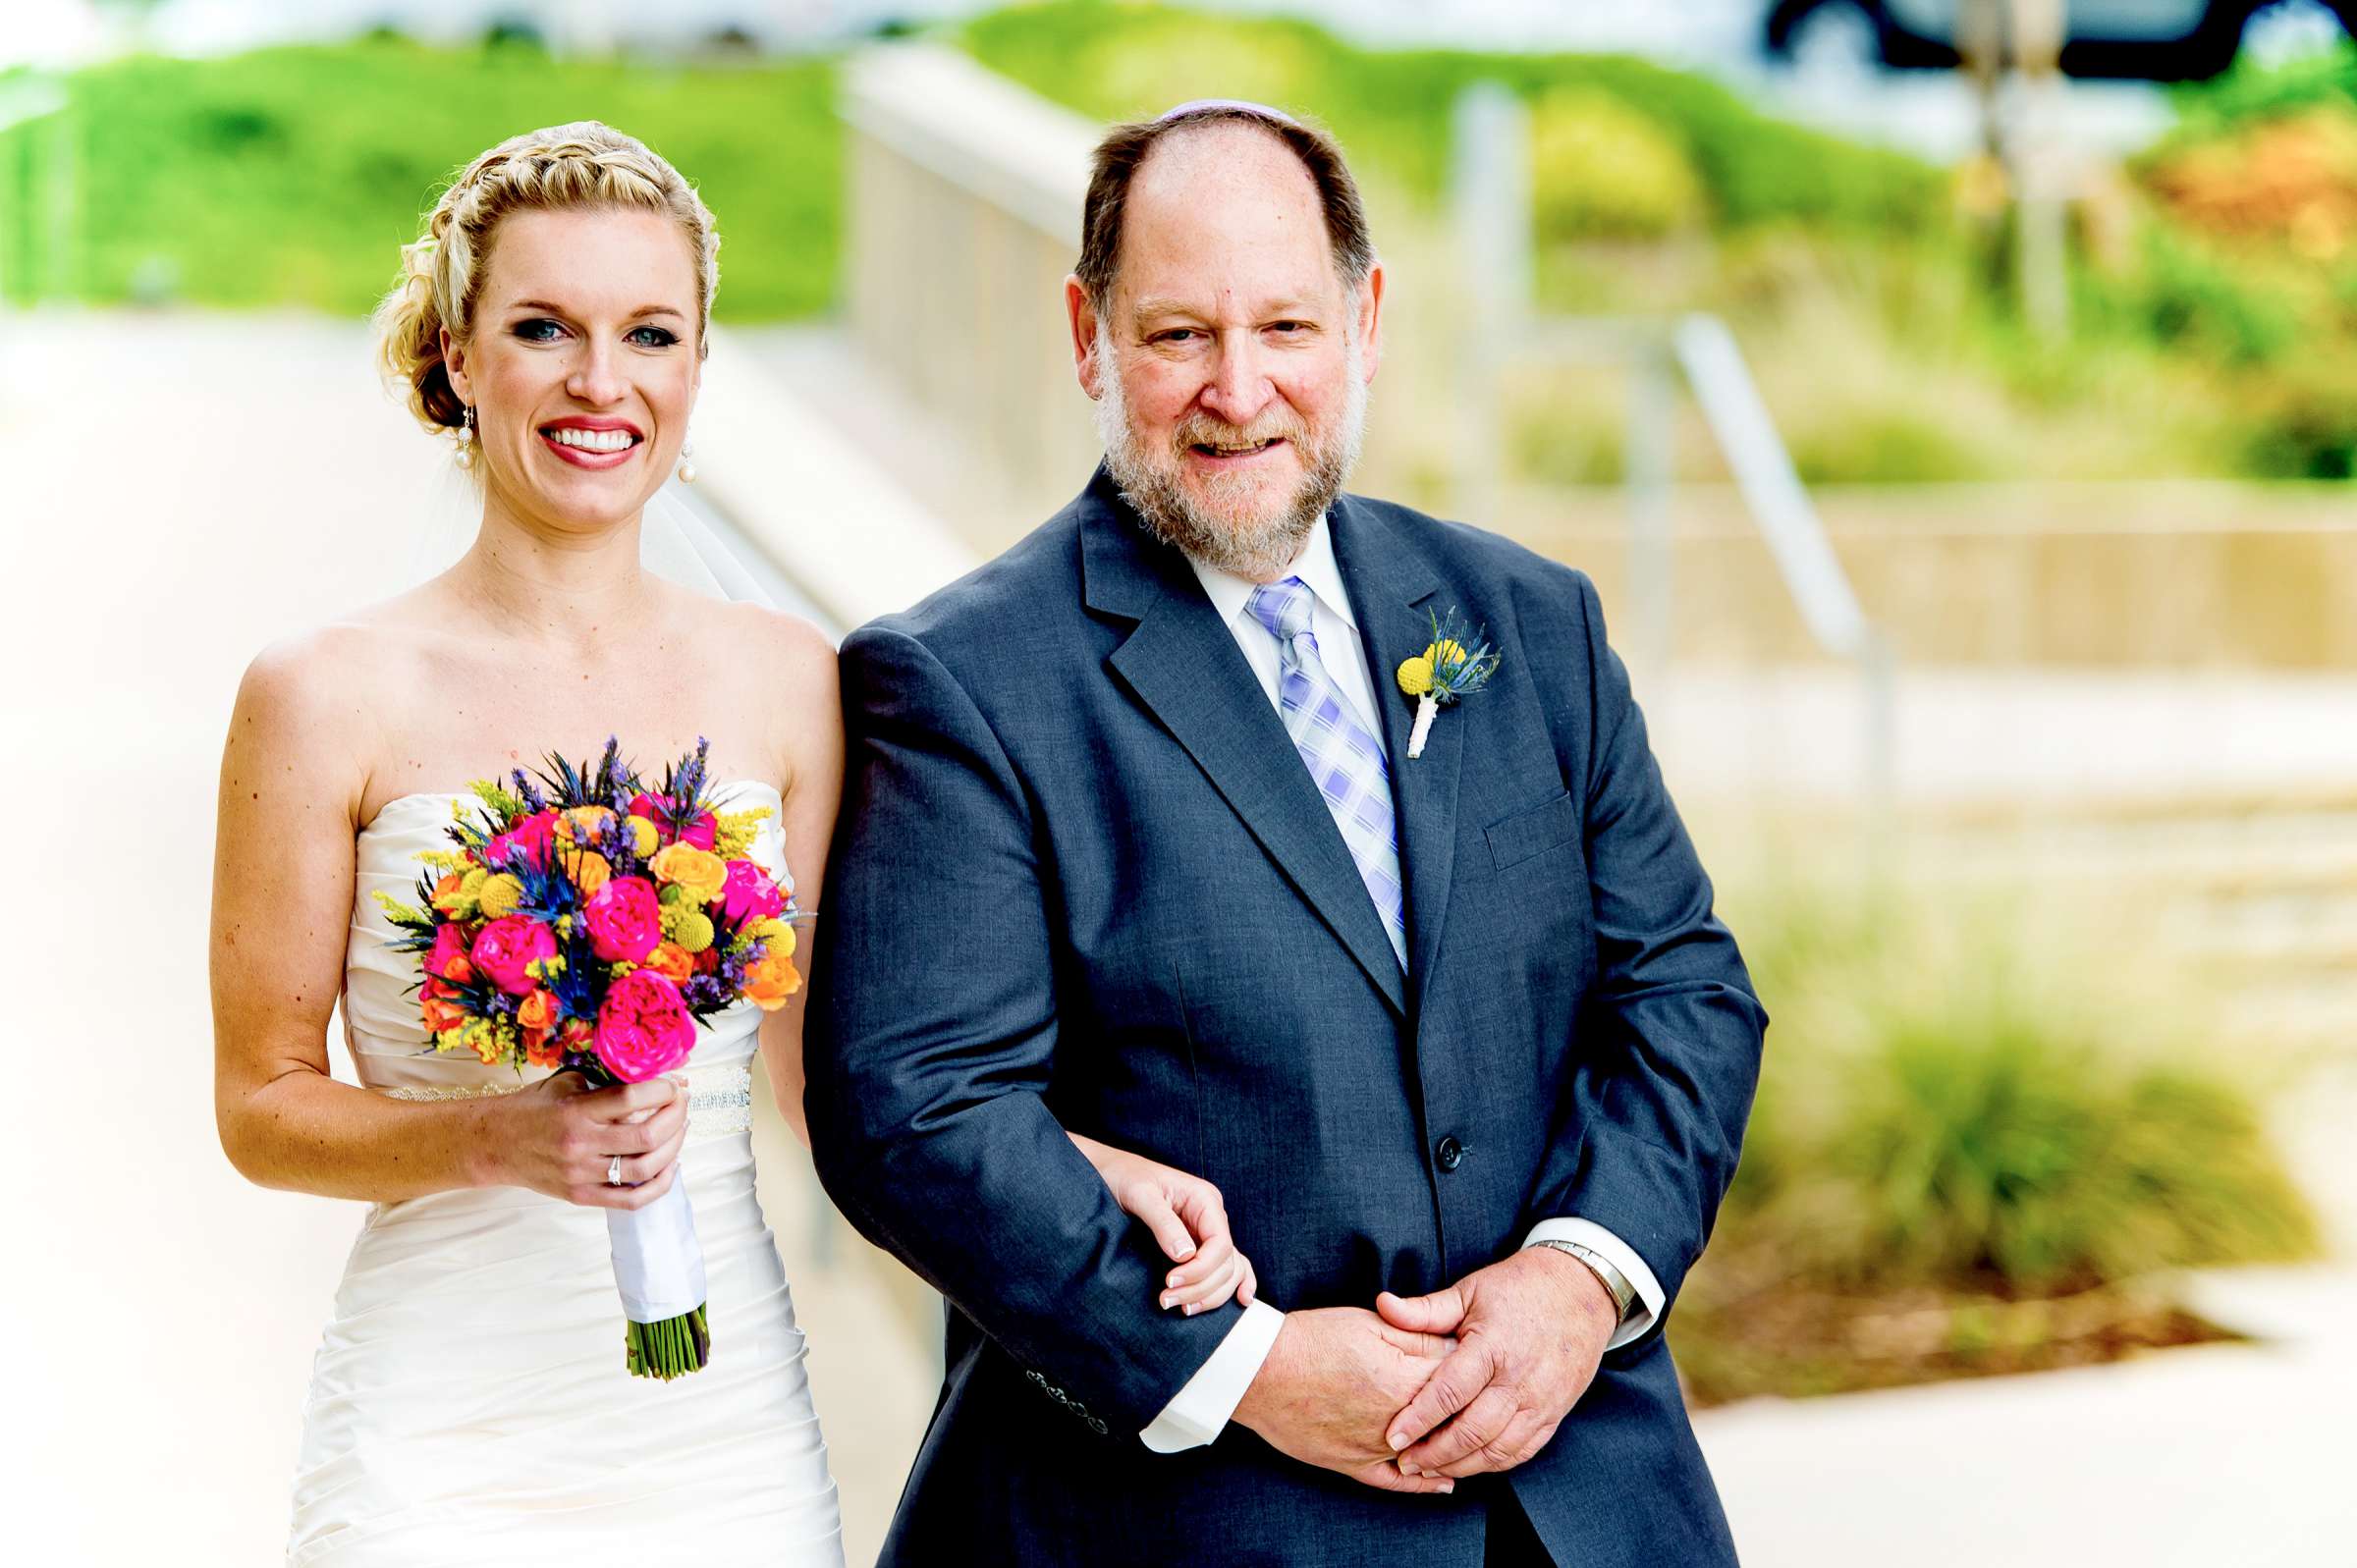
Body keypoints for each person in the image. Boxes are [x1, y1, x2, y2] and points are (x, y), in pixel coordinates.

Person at [209, 120, 1246, 1566]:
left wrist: (1074, 1169)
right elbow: (260, 1105)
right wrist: (496, 1136)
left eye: (649, 333)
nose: (599, 382)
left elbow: (839, 1081)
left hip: (716, 1427)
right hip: (436, 1424)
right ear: (456, 355)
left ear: (698, 372)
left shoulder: (786, 680)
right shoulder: (319, 695)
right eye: (541, 328)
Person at [807, 101, 1768, 1566]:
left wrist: (1580, 1281)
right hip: (1189, 1517)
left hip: (1586, 1506)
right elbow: (914, 1110)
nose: (1238, 391)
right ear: (1087, 333)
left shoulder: (1528, 622)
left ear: (1368, 321)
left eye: (1287, 328)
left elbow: (1686, 992)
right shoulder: (962, 684)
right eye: (1178, 334)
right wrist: (1249, 1366)